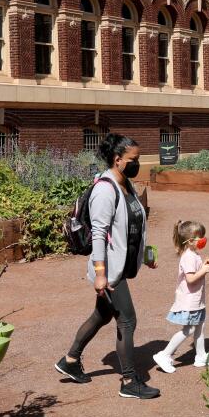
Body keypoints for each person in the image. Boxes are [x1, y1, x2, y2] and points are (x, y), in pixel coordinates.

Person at [56, 133, 160, 399]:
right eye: (133, 159)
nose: (138, 163)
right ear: (117, 159)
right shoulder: (105, 189)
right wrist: (100, 274)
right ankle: (128, 381)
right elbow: (100, 234)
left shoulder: (126, 185)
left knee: (101, 315)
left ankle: (69, 360)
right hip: (110, 270)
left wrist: (145, 255)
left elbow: (135, 224)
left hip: (122, 264)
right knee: (127, 320)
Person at [153, 220, 209, 372]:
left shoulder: (193, 254)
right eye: (200, 237)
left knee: (200, 326)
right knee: (188, 329)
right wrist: (204, 270)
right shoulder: (188, 256)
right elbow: (190, 279)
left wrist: (203, 266)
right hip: (190, 301)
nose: (203, 240)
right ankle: (164, 354)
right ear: (190, 241)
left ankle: (201, 356)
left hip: (197, 299)